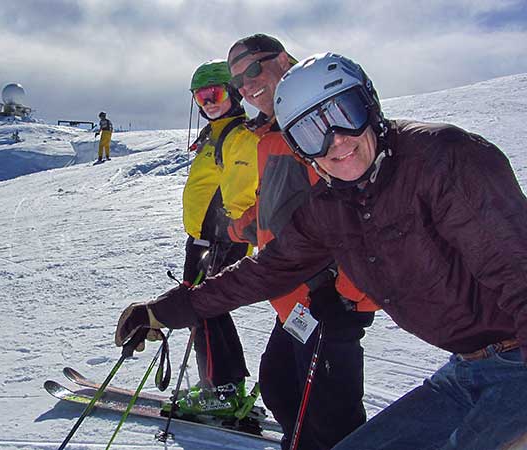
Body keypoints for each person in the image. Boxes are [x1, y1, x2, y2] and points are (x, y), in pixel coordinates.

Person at [116, 52, 527, 449]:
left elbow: (516, 269)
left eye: (344, 114)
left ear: (371, 104)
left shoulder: (445, 159)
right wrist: (163, 311)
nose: (336, 141)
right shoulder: (333, 205)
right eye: (311, 132)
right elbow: (264, 271)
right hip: (468, 371)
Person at [225, 34, 376, 450]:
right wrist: (238, 230)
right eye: (238, 79)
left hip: (328, 302)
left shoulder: (320, 121)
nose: (247, 84)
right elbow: (277, 201)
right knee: (278, 387)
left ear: (285, 60)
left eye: (254, 68)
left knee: (331, 421)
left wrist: (345, 296)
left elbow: (363, 211)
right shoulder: (270, 134)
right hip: (292, 300)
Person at [171, 59, 261, 417]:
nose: (207, 101)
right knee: (208, 312)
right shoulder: (216, 133)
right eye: (200, 95)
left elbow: (241, 192)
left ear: (235, 92)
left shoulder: (238, 135)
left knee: (205, 308)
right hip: (203, 239)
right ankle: (222, 384)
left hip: (220, 240)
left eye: (215, 92)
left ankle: (222, 390)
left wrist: (225, 236)